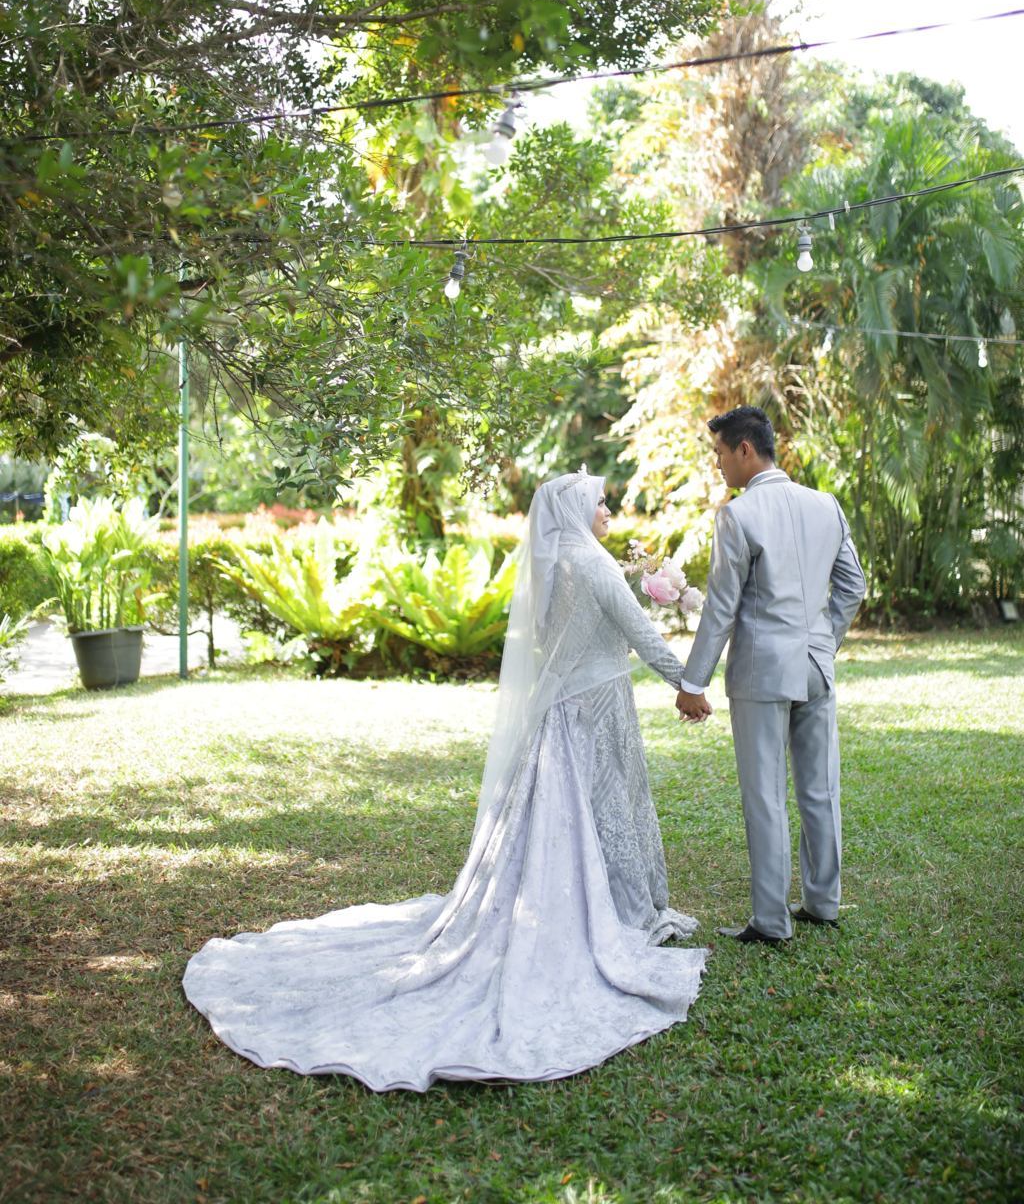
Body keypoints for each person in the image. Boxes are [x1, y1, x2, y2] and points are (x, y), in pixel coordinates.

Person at [183, 471, 706, 1090]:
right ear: (574, 509)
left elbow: (560, 636)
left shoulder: (557, 561)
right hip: (591, 708)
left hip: (566, 706)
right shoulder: (591, 563)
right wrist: (688, 684)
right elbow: (639, 632)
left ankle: (610, 905)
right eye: (599, 501)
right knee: (602, 807)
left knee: (581, 814)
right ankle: (615, 912)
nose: (608, 508)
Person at [675, 406, 866, 944]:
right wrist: (822, 640)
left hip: (762, 672)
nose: (717, 464)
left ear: (744, 449)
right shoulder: (826, 505)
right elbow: (853, 586)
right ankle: (823, 903)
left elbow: (721, 608)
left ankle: (771, 921)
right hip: (816, 666)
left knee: (764, 795)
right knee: (820, 788)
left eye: (719, 453)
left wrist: (692, 683)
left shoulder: (738, 515)